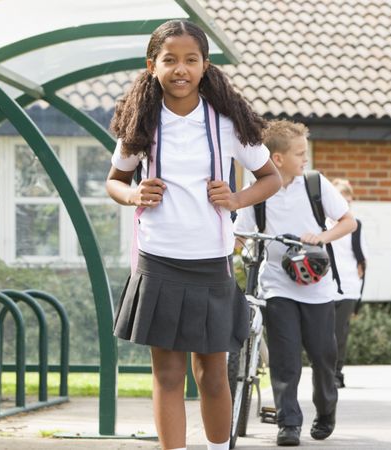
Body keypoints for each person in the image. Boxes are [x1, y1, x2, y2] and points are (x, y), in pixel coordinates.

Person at [106, 20, 281, 450]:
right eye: (169, 60)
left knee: (212, 373)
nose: (180, 69)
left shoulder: (228, 123)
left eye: (190, 60)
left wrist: (237, 199)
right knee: (167, 375)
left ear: (205, 66)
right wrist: (133, 195)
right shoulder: (141, 123)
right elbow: (114, 181)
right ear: (152, 66)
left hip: (211, 260)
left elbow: (270, 178)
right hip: (158, 257)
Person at [234, 120, 357, 446]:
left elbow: (348, 222)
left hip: (316, 287)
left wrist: (322, 236)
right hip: (277, 284)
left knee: (322, 355)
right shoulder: (260, 191)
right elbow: (239, 236)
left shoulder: (315, 184)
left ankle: (326, 409)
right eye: (300, 153)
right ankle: (288, 424)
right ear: (277, 159)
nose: (306, 159)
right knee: (285, 358)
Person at [329, 178, 368, 389]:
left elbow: (362, 262)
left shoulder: (355, 225)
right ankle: (326, 370)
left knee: (339, 331)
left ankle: (336, 372)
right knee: (325, 332)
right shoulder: (322, 224)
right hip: (325, 286)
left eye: (348, 201)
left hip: (349, 286)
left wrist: (359, 297)